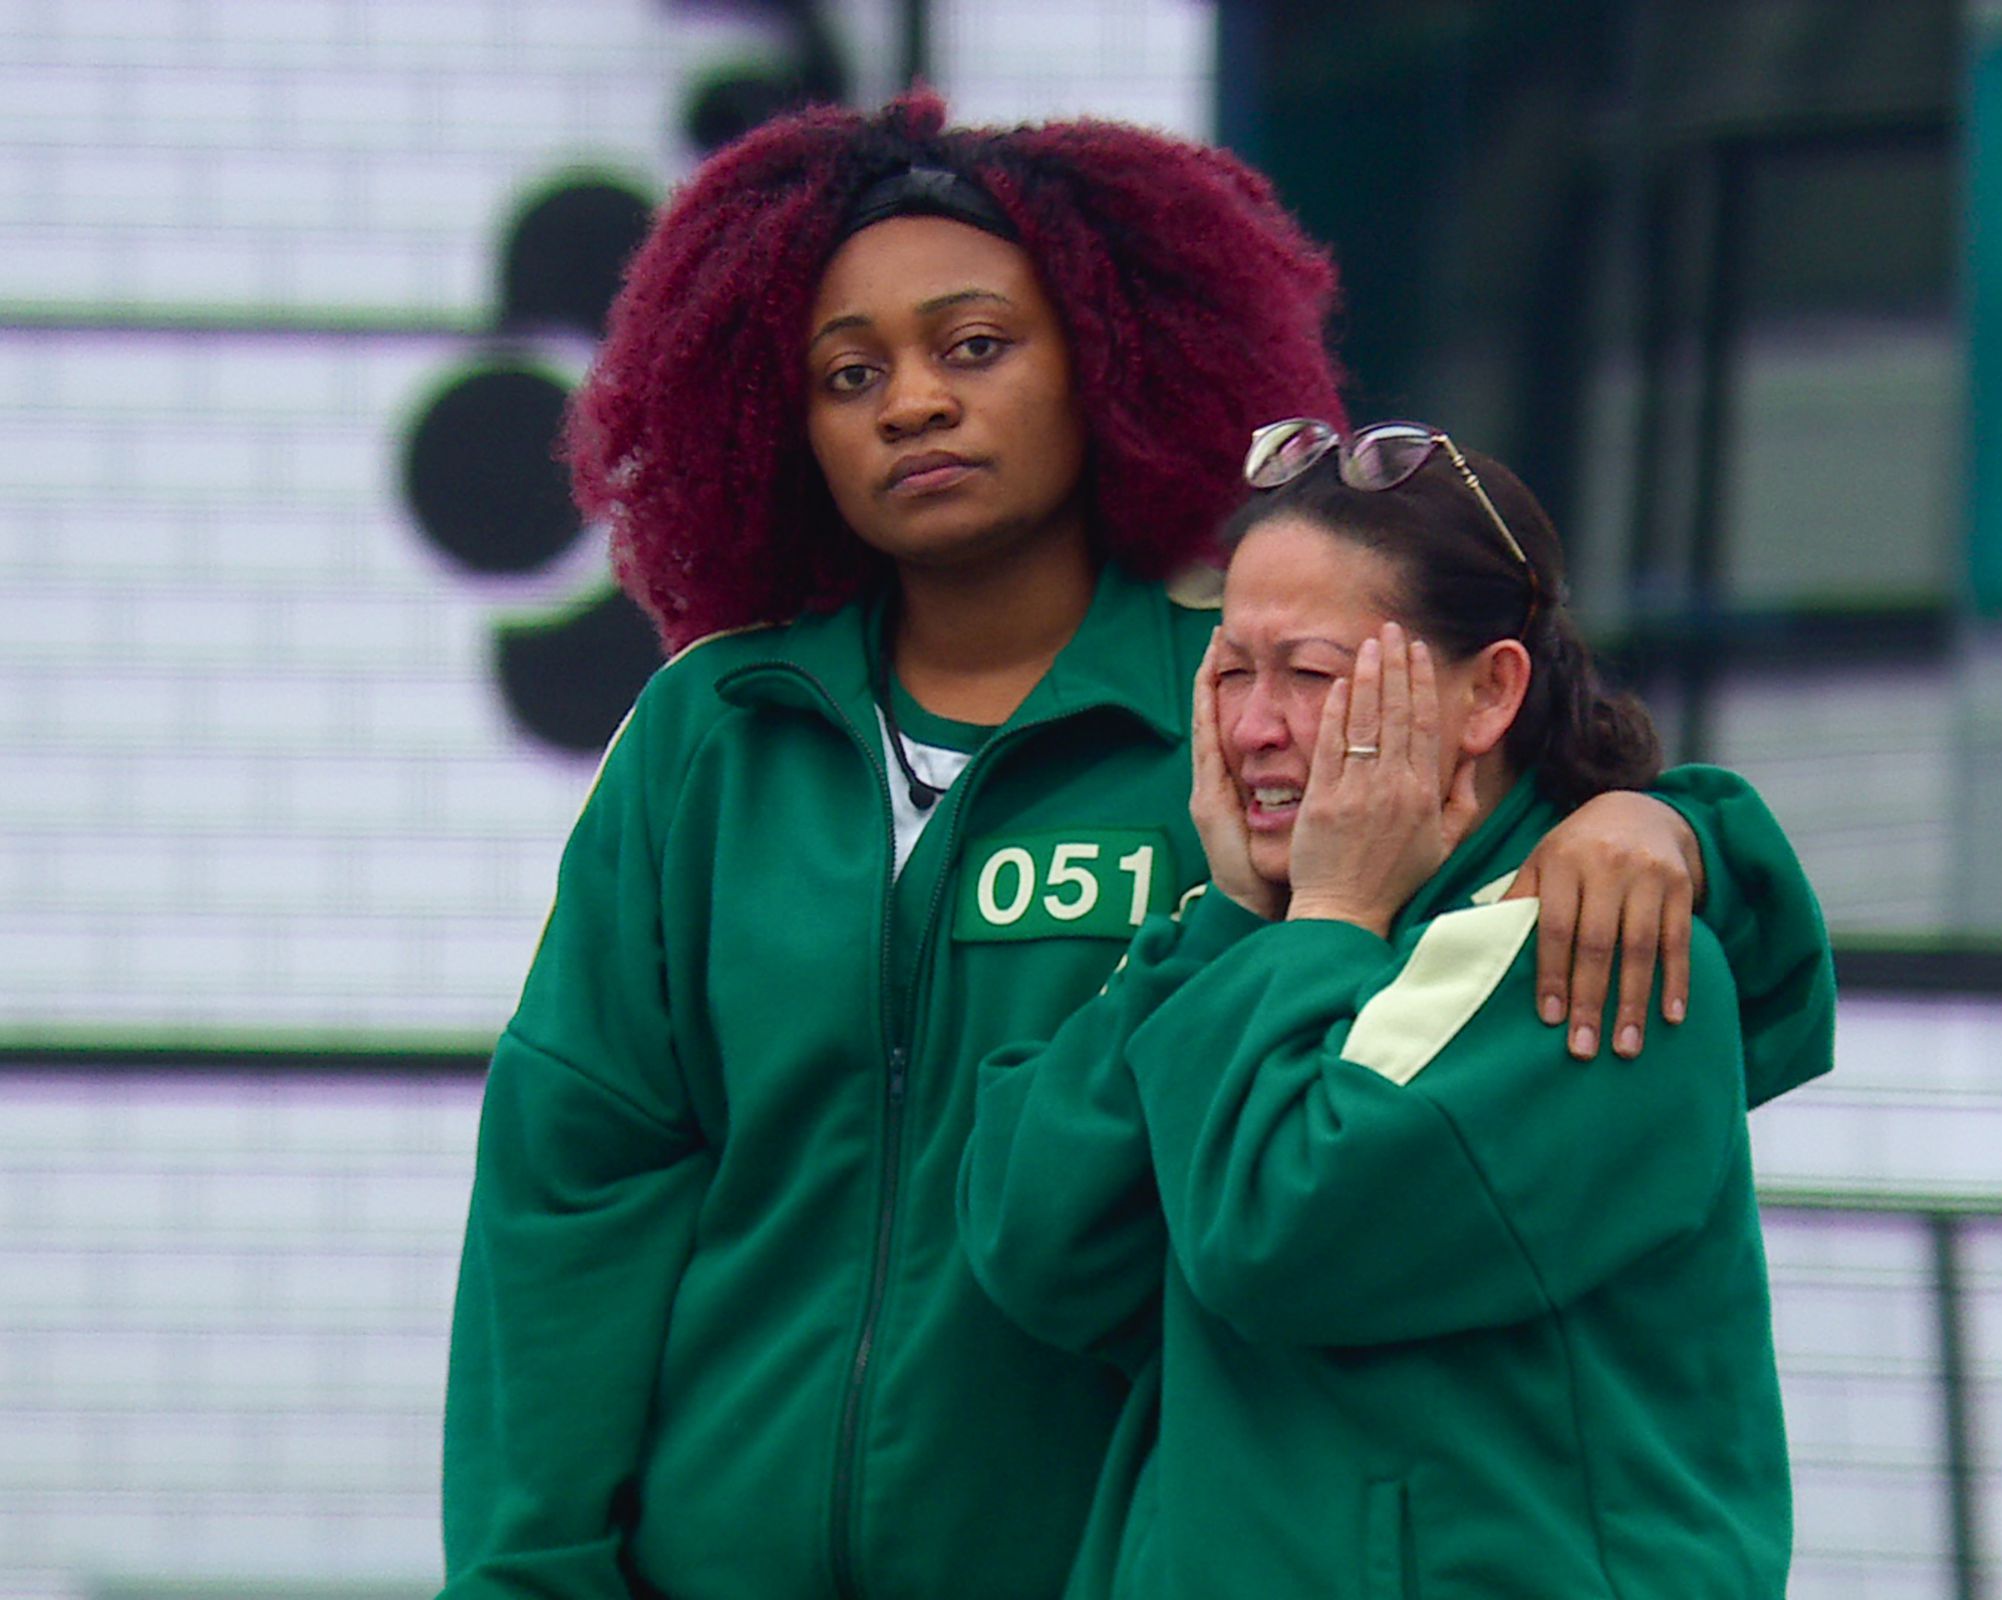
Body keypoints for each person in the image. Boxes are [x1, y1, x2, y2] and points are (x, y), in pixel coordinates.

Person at [441, 93, 1833, 1600]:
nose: (912, 402)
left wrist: (1675, 824)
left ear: (1103, 358)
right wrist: (532, 1573)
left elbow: (1515, 860)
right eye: (849, 375)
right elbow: (570, 1198)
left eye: (974, 346)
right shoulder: (711, 742)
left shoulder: (1262, 718)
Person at [960, 421, 1829, 1598]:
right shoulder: (1261, 932)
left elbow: (1280, 1235)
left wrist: (1323, 910)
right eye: (1227, 672)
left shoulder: (1593, 941)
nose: (1252, 727)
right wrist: (1231, 916)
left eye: (1311, 675)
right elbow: (1033, 1242)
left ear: (1490, 695)